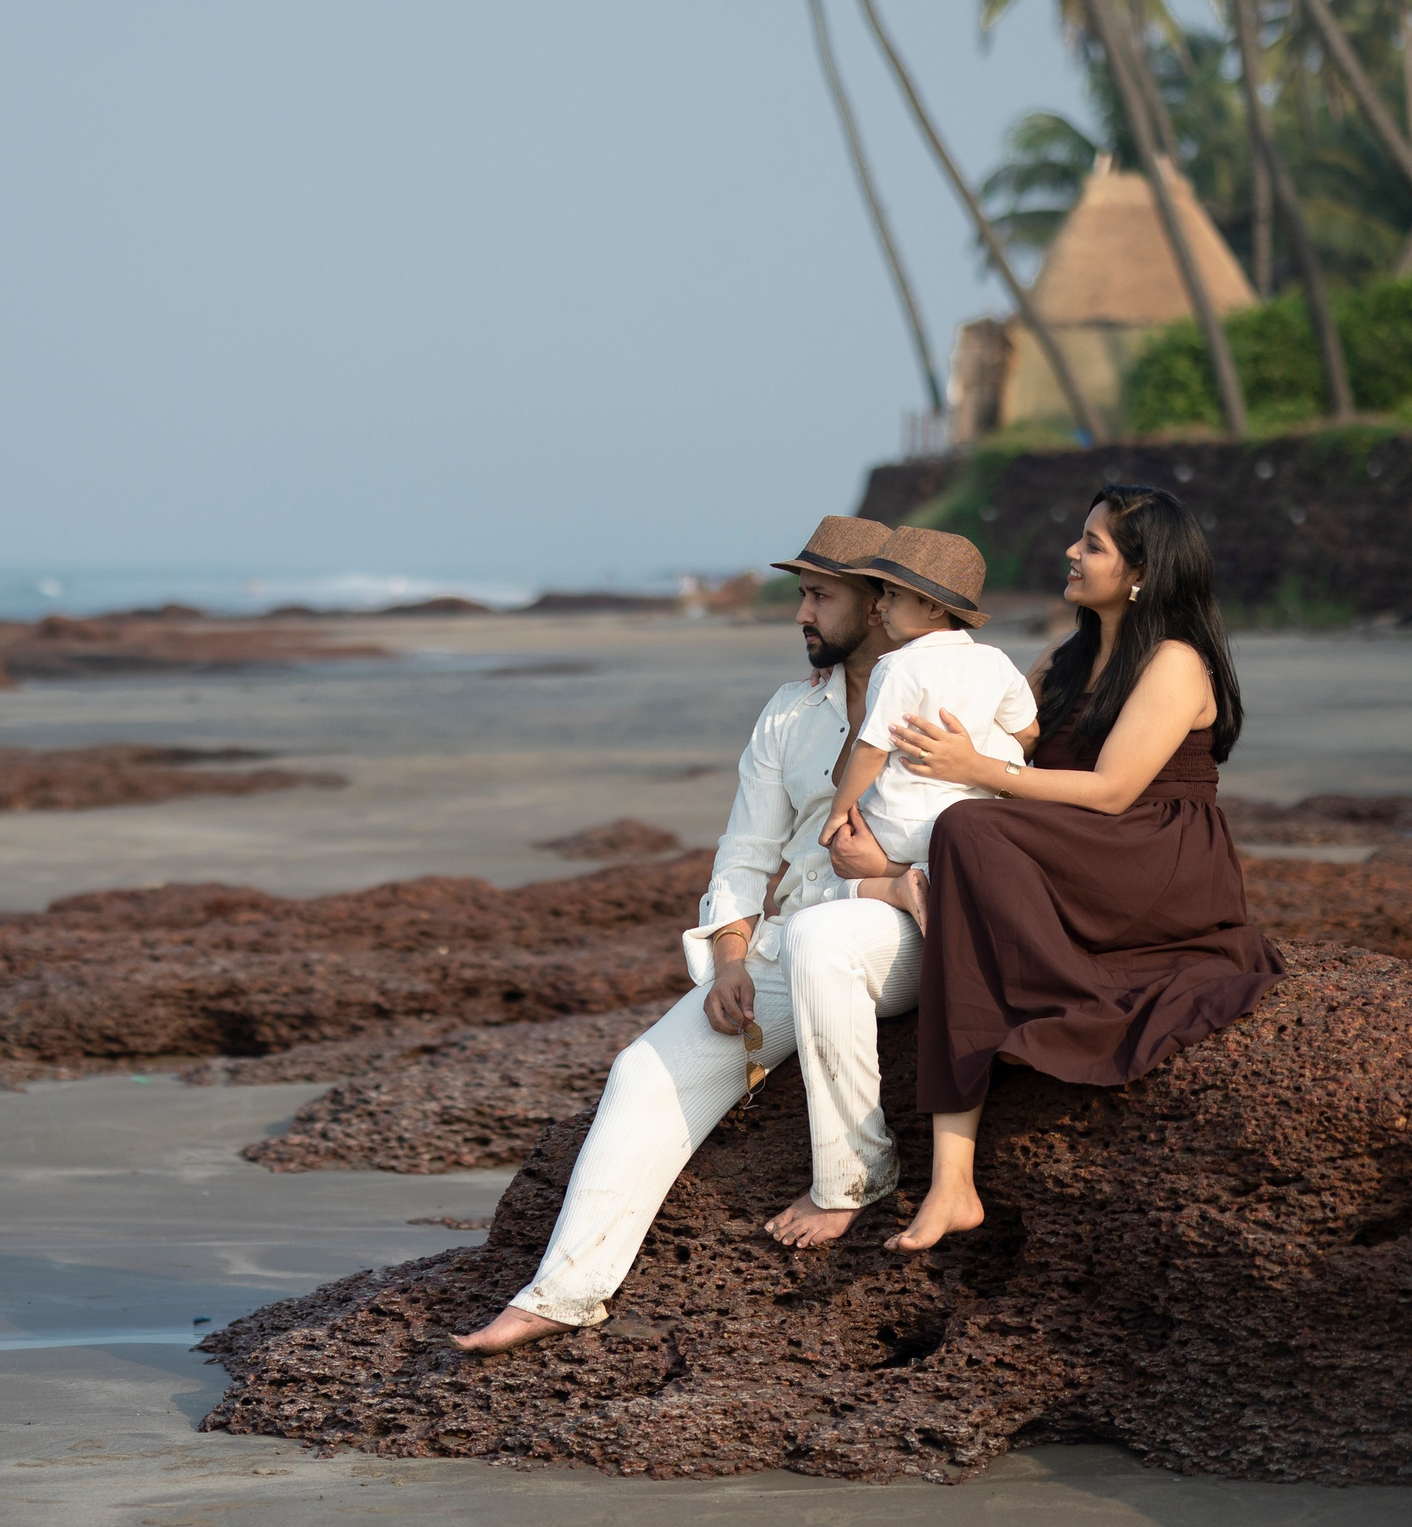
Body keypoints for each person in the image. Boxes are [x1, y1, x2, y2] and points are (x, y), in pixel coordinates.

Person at [452, 515, 929, 1354]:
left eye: (820, 596)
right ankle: (564, 1292)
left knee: (825, 940)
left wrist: (892, 874)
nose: (801, 613)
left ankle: (854, 1174)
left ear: (879, 602)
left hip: (906, 938)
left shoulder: (948, 698)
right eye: (802, 595)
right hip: (799, 941)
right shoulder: (789, 712)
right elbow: (744, 853)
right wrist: (731, 957)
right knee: (644, 1070)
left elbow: (990, 825)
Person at [839, 484, 1285, 1253]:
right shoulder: (1064, 658)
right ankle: (953, 1182)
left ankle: (1051, 986)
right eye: (1080, 539)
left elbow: (1111, 791)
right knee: (961, 838)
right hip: (1072, 842)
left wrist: (975, 770)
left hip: (1152, 854)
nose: (1071, 553)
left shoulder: (1177, 661)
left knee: (968, 829)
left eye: (1093, 544)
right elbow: (994, 738)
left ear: (1141, 573)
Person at [816, 525, 1038, 936]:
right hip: (972, 825)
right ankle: (925, 877)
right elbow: (1028, 734)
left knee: (836, 882)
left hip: (900, 826)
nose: (881, 604)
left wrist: (838, 811)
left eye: (893, 595)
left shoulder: (897, 666)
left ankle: (898, 883)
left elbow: (872, 749)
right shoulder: (995, 661)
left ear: (933, 607)